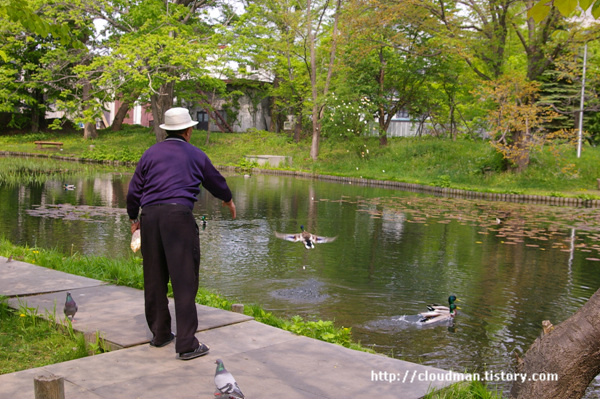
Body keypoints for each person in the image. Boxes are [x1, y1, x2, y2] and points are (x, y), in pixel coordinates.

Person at [126, 107, 236, 360]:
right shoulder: (196, 154)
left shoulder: (150, 153)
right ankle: (186, 344)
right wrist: (228, 200)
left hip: (150, 217)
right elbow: (215, 181)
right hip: (179, 218)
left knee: (154, 278)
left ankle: (161, 334)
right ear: (188, 131)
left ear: (166, 130)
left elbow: (134, 191)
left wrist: (134, 219)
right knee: (184, 281)